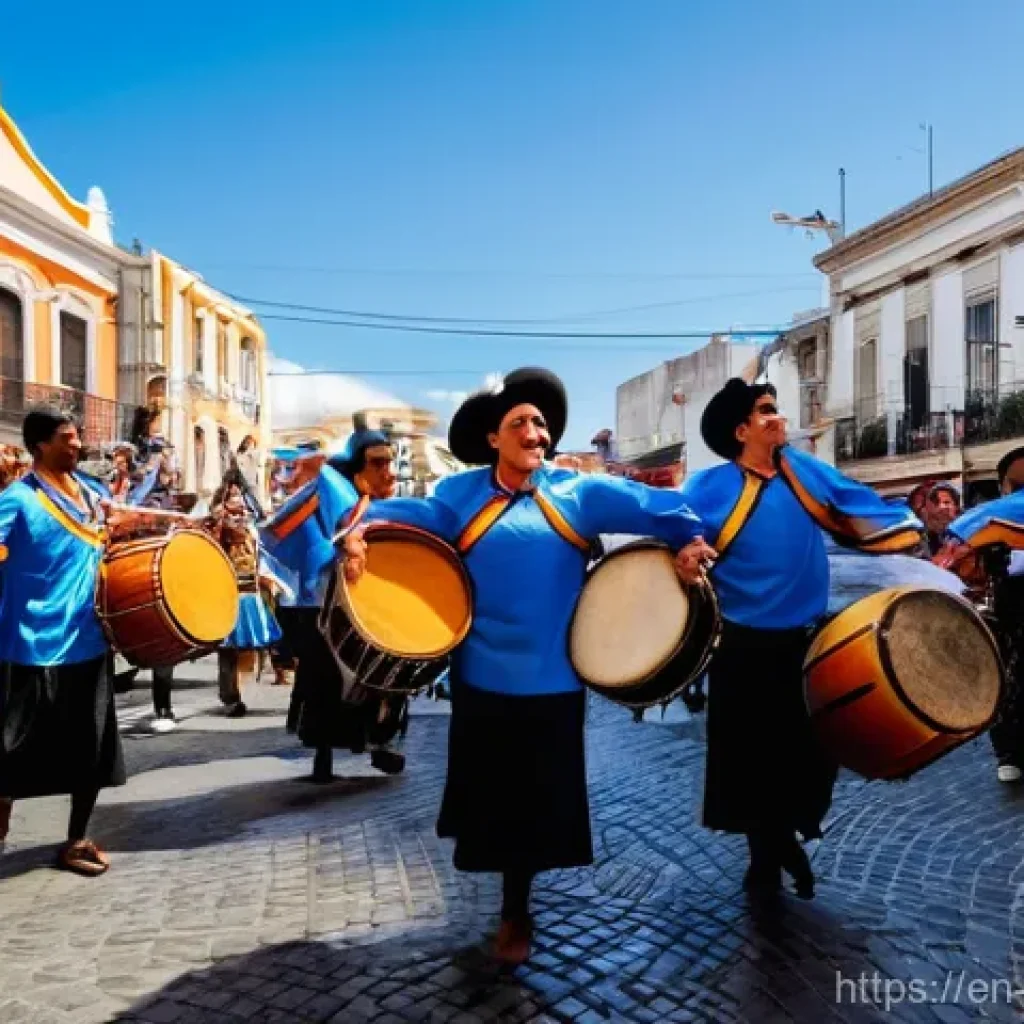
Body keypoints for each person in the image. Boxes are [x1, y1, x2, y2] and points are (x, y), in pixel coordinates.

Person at [341, 368, 708, 965]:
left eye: (541, 423)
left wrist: (690, 540)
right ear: (493, 439)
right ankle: (507, 892)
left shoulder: (578, 495)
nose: (535, 433)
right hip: (482, 679)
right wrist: (361, 533)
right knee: (492, 804)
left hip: (555, 683)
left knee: (536, 808)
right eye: (520, 423)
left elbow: (660, 508)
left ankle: (516, 906)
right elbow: (405, 516)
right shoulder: (459, 497)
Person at [677, 379, 923, 902]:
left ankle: (784, 837)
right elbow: (675, 534)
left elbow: (860, 506)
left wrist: (906, 527)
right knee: (751, 760)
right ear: (741, 430)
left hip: (809, 643)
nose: (778, 418)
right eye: (766, 411)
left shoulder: (805, 474)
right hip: (742, 646)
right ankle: (768, 855)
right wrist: (686, 551)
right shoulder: (708, 487)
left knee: (813, 752)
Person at [0, 409, 126, 874]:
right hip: (28, 640)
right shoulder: (17, 500)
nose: (77, 445)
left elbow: (106, 543)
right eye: (67, 438)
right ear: (40, 445)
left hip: (87, 638)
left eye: (77, 437)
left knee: (89, 749)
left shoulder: (92, 497)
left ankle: (77, 839)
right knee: (9, 744)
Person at [268, 428, 410, 780]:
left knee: (385, 678)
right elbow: (282, 530)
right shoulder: (335, 494)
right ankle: (324, 755)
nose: (386, 471)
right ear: (359, 466)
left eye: (389, 462)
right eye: (377, 463)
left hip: (374, 607)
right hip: (329, 605)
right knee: (326, 681)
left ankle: (379, 743)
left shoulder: (381, 504)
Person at [938, 447, 1024, 783]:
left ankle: (1011, 752)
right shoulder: (988, 520)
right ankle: (1010, 752)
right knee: (1010, 675)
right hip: (1010, 602)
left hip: (1008, 601)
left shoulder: (985, 518)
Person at [208, 477, 283, 717]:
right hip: (228, 592)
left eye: (239, 495)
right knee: (228, 647)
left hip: (251, 590)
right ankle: (230, 696)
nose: (237, 500)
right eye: (232, 495)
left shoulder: (250, 523)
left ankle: (242, 689)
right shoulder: (219, 525)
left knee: (252, 645)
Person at [922, 482, 961, 555]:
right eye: (936, 503)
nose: (941, 507)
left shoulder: (969, 528)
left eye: (946, 502)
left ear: (956, 506)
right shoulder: (929, 535)